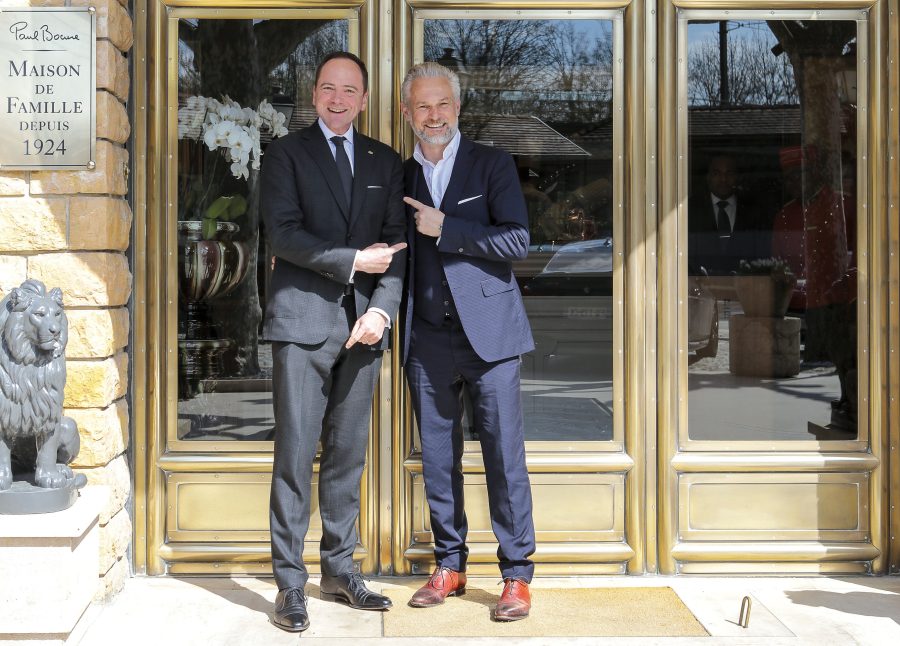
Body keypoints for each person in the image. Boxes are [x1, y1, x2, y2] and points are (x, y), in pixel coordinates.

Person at [260, 51, 407, 633]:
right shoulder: (286, 154)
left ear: (364, 99)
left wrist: (382, 309)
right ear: (315, 94)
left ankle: (340, 570)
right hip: (301, 324)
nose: (338, 98)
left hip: (363, 328)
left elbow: (396, 245)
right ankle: (289, 584)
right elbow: (284, 233)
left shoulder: (385, 160)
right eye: (327, 88)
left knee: (348, 455)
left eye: (349, 90)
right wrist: (352, 262)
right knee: (295, 455)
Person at [398, 62, 537, 621]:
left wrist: (446, 230)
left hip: (491, 336)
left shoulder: (491, 165)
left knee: (504, 457)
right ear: (408, 113)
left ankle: (516, 575)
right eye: (422, 107)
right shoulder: (399, 173)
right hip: (427, 338)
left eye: (443, 105)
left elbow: (518, 240)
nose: (434, 116)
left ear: (458, 108)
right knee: (437, 458)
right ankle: (450, 565)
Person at [688, 153, 769, 275]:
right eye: (717, 173)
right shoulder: (691, 211)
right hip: (700, 287)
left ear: (737, 177)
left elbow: (762, 255)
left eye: (729, 173)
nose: (723, 179)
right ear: (708, 177)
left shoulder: (753, 211)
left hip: (745, 287)